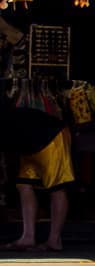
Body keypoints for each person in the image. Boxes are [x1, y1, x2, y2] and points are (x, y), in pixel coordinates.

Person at [5, 90, 73, 252]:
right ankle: (28, 237)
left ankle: (54, 240)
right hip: (28, 143)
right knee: (24, 185)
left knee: (56, 187)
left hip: (51, 137)